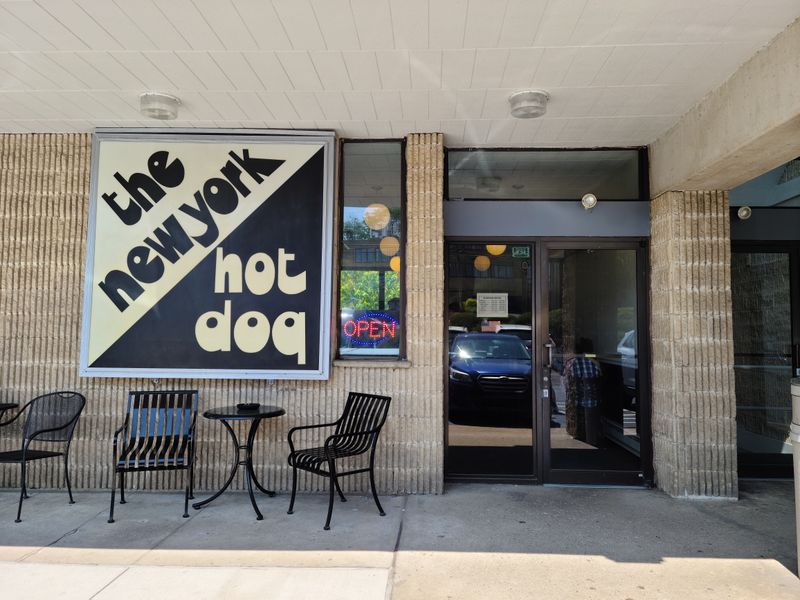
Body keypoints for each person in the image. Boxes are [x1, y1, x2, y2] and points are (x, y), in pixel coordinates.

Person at [563, 337, 602, 446]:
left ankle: (578, 437)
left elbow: (566, 384)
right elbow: (600, 378)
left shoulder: (571, 363)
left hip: (576, 402)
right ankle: (592, 440)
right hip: (593, 401)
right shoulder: (594, 363)